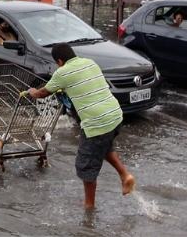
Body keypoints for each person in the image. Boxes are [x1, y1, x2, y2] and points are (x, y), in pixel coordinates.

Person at [22, 44, 134, 209]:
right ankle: (125, 176)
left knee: (85, 164)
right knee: (104, 146)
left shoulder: (62, 72)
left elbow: (42, 93)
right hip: (115, 115)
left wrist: (31, 91)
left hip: (96, 121)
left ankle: (89, 206)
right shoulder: (90, 62)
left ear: (59, 61)